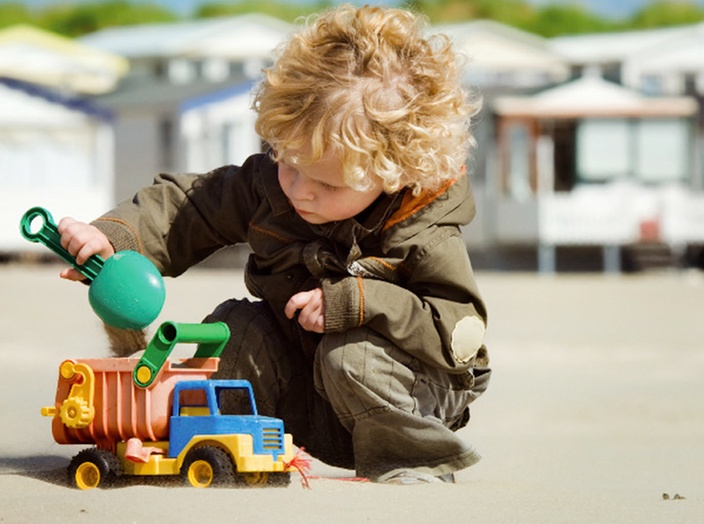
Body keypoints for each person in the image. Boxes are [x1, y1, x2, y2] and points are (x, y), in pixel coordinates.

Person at [55, 3, 490, 485]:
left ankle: (413, 465)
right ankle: (228, 451)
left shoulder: (424, 232)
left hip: (412, 396)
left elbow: (455, 332)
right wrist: (114, 235)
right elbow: (187, 208)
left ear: (395, 172)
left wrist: (361, 303)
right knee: (232, 330)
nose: (301, 189)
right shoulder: (270, 189)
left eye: (326, 184)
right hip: (310, 391)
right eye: (289, 162)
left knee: (352, 356)